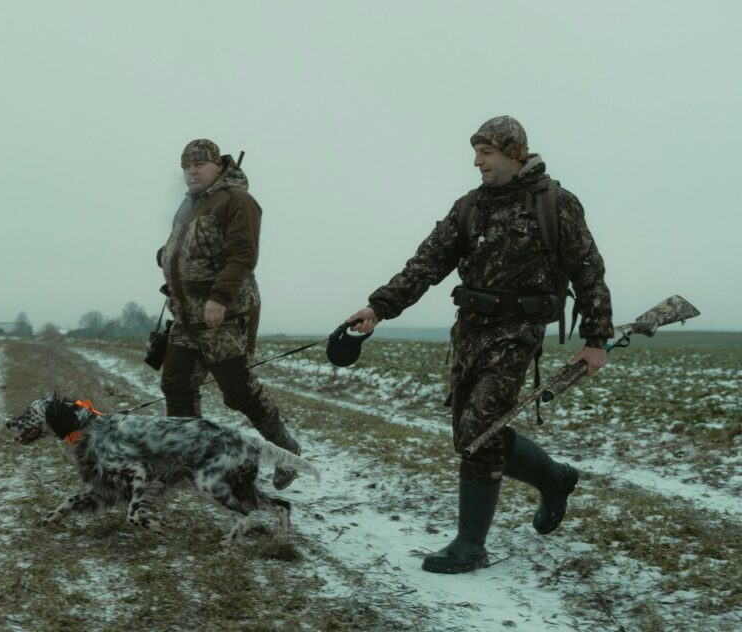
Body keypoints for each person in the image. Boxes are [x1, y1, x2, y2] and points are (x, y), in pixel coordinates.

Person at [346, 116, 613, 573]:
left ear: (514, 153)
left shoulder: (556, 204)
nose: (477, 162)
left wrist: (596, 340)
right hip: (468, 331)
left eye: (486, 153)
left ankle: (471, 544)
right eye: (476, 152)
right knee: (470, 435)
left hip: (518, 333)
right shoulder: (470, 207)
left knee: (481, 430)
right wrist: (379, 307)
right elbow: (425, 264)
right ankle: (554, 478)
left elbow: (588, 269)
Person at [157, 139, 302, 490]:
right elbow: (179, 246)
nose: (192, 171)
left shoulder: (238, 201)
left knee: (238, 391)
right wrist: (167, 257)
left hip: (225, 313)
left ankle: (287, 451)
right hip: (185, 314)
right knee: (176, 382)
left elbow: (242, 255)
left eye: (200, 164)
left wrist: (219, 297)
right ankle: (187, 460)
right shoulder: (188, 205)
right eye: (186, 166)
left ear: (219, 166)